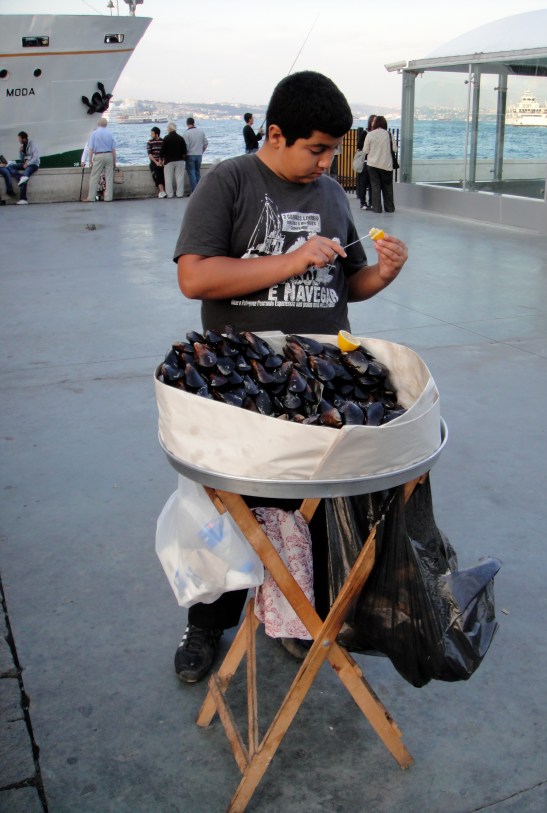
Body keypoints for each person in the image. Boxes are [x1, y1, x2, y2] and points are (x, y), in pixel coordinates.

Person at [172, 70, 408, 684]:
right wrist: (291, 258)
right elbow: (195, 278)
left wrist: (382, 274)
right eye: (318, 149)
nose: (328, 162)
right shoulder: (228, 183)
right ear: (275, 134)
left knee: (311, 508)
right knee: (231, 510)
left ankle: (296, 616)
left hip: (316, 381)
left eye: (333, 149)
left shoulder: (331, 195)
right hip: (240, 383)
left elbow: (347, 284)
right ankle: (206, 624)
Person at [362, 116, 396, 214]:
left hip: (372, 164)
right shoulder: (389, 134)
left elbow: (365, 150)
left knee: (375, 187)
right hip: (386, 165)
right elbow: (394, 149)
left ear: (375, 124)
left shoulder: (370, 134)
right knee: (388, 187)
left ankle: (377, 209)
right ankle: (389, 208)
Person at [0, 131, 41, 205]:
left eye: (19, 139)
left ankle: (23, 199)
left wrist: (28, 163)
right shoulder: (23, 146)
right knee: (10, 166)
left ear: (24, 138)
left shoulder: (32, 144)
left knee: (25, 175)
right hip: (25, 163)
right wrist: (20, 152)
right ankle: (20, 178)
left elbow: (36, 157)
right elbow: (22, 159)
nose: (19, 140)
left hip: (33, 165)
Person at [87, 118, 117, 203]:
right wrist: (114, 161)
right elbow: (114, 149)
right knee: (109, 177)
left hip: (98, 155)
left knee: (94, 177)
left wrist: (90, 160)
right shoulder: (110, 134)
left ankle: (91, 197)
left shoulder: (94, 133)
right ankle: (108, 198)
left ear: (98, 124)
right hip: (109, 155)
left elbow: (91, 149)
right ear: (106, 125)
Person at [160, 123, 187, 198]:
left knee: (168, 178)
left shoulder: (166, 138)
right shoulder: (180, 138)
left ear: (170, 129)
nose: (167, 129)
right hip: (180, 161)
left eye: (167, 128)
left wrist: (161, 158)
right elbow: (184, 151)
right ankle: (180, 194)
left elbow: (162, 151)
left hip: (169, 161)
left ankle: (170, 194)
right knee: (180, 178)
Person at [183, 117, 208, 192]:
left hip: (190, 155)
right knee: (197, 172)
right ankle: (200, 190)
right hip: (199, 155)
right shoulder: (201, 132)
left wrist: (184, 155)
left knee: (191, 173)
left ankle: (194, 191)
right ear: (194, 123)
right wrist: (202, 151)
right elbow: (206, 143)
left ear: (187, 124)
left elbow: (186, 146)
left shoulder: (186, 133)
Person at [356, 114, 376, 210]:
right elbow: (359, 145)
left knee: (372, 184)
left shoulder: (376, 133)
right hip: (365, 161)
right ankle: (363, 202)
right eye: (373, 121)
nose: (375, 123)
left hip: (373, 162)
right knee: (363, 183)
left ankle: (371, 202)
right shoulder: (365, 132)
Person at [147, 126, 166, 198]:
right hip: (154, 163)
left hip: (162, 162)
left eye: (152, 133)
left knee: (162, 176)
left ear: (157, 134)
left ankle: (162, 192)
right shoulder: (150, 142)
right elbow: (150, 154)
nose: (151, 135)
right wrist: (156, 162)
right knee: (156, 176)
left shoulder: (163, 141)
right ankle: (162, 191)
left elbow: (165, 152)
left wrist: (162, 161)